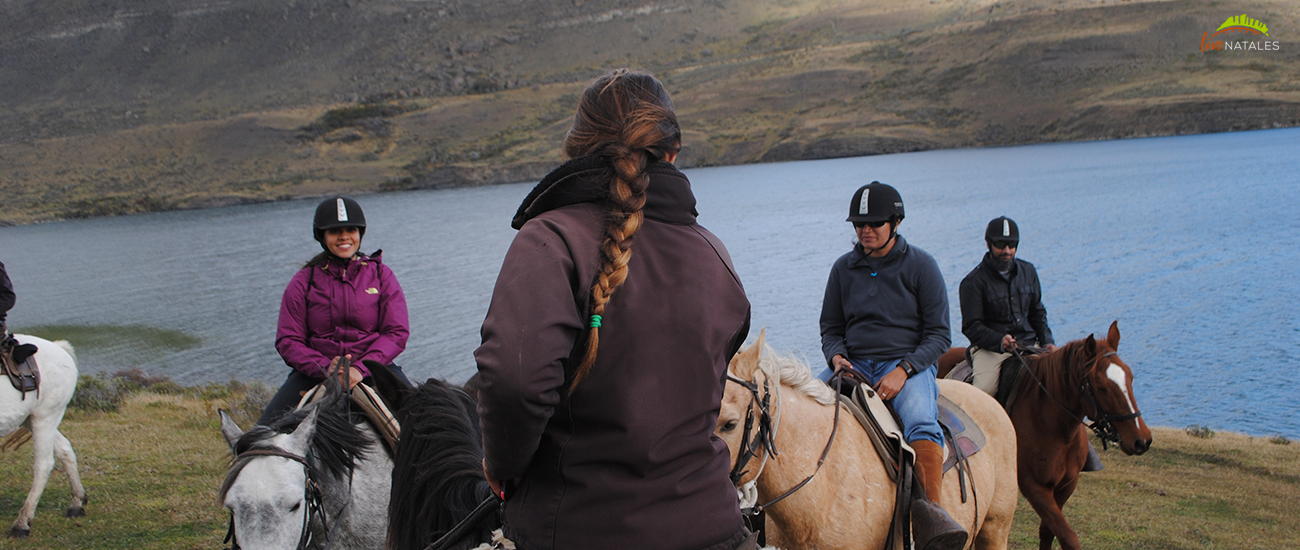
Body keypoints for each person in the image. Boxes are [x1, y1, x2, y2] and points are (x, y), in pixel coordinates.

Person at [475, 69, 753, 550]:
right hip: (715, 526)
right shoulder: (714, 252)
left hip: (580, 530)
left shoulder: (551, 239)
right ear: (672, 152)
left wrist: (504, 465)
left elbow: (515, 382)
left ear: (577, 148)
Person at [819, 181, 965, 550]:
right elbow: (831, 328)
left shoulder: (922, 266)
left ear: (896, 222)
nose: (865, 230)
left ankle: (932, 518)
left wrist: (904, 370)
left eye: (874, 223)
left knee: (919, 420)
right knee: (804, 408)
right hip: (852, 364)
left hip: (905, 365)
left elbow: (939, 335)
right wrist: (836, 357)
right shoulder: (842, 269)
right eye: (858, 224)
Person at [258, 196, 413, 425]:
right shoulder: (303, 281)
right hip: (315, 373)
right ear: (322, 236)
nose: (344, 237)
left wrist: (360, 368)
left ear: (360, 233)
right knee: (263, 432)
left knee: (422, 425)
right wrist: (325, 367)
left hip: (373, 369)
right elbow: (288, 340)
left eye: (351, 230)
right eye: (334, 231)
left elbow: (396, 332)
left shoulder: (382, 276)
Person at [958, 216, 1055, 396]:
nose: (1007, 250)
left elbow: (1038, 313)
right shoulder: (973, 282)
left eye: (1012, 245)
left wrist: (1048, 342)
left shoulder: (1029, 272)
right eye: (1001, 245)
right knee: (984, 391)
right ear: (988, 244)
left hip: (1029, 344)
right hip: (992, 350)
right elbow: (971, 327)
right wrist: (1000, 340)